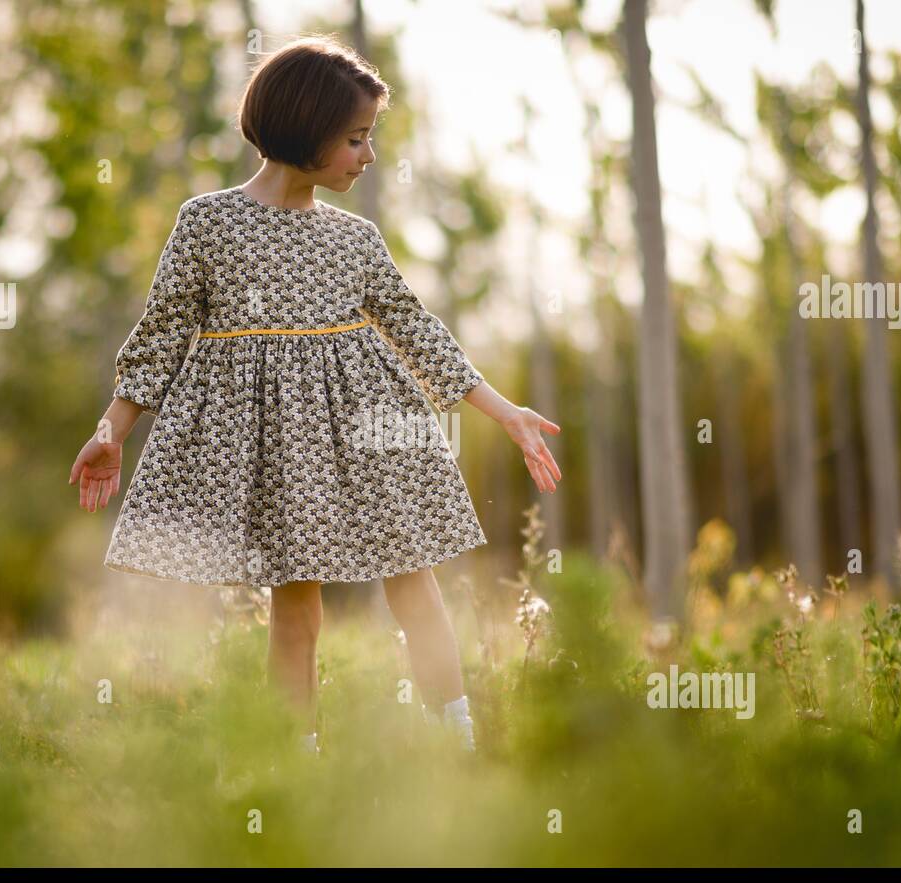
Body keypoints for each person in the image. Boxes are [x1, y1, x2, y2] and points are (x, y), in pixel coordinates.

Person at [69, 34, 560, 757]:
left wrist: (504, 410)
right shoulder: (207, 223)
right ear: (305, 130)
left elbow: (415, 331)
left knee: (411, 575)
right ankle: (295, 761)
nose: (368, 156)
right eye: (355, 139)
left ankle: (456, 740)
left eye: (370, 139)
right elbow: (161, 336)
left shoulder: (356, 240)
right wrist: (112, 429)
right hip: (277, 450)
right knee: (295, 602)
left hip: (369, 428)